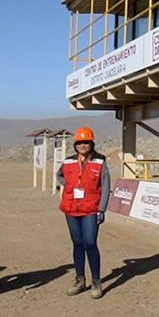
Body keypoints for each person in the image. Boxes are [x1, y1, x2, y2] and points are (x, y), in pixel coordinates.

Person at [57, 126, 110, 299]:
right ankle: (80, 280)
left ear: (92, 143)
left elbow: (106, 185)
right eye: (79, 142)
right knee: (77, 243)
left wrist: (101, 209)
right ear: (75, 145)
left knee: (90, 243)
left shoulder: (100, 161)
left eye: (86, 142)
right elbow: (59, 175)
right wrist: (69, 186)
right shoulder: (68, 161)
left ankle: (96, 282)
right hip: (71, 208)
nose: (83, 145)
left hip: (91, 209)